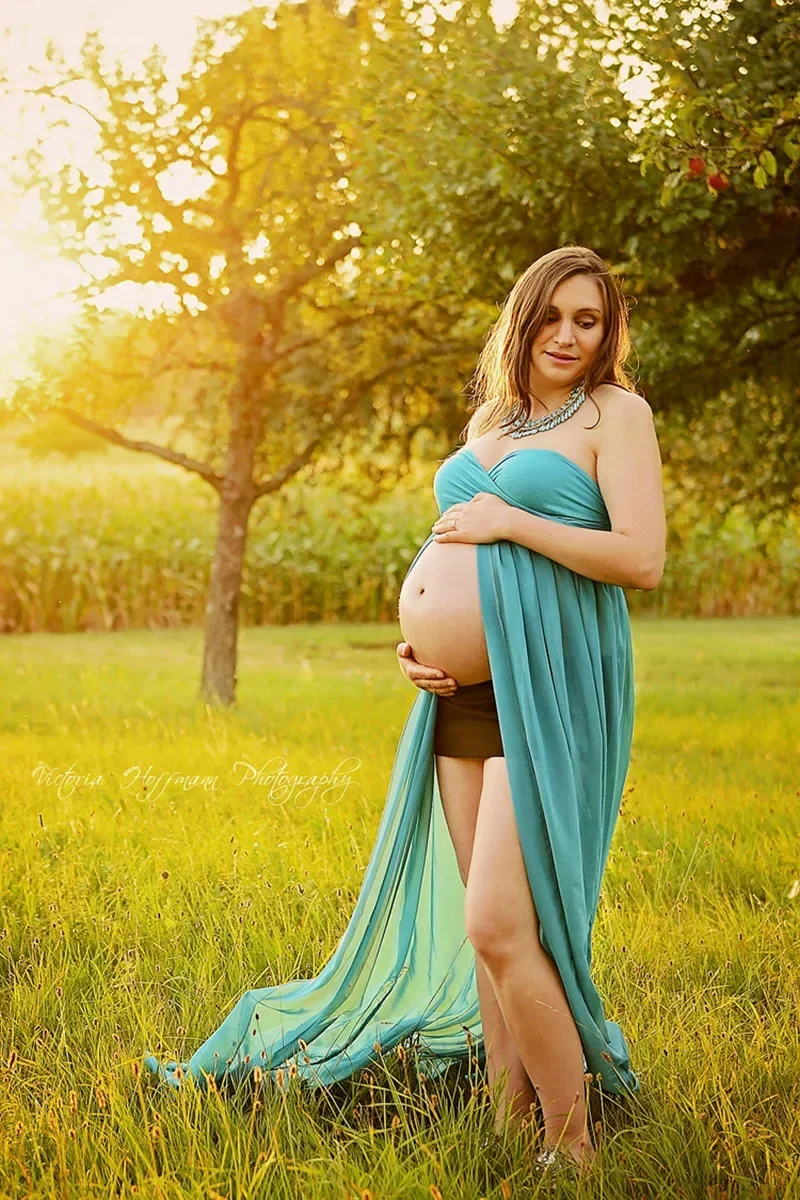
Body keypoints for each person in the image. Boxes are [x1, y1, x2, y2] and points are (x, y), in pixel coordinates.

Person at [144, 245, 666, 1180]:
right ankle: (511, 1130)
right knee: (483, 925)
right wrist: (419, 637)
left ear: (607, 330)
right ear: (525, 317)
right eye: (553, 315)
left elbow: (640, 559)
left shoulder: (618, 415)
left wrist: (511, 525)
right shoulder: (492, 420)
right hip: (458, 694)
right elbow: (452, 547)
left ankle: (575, 1149)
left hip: (545, 681)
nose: (568, 335)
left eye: (588, 320)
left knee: (507, 923)